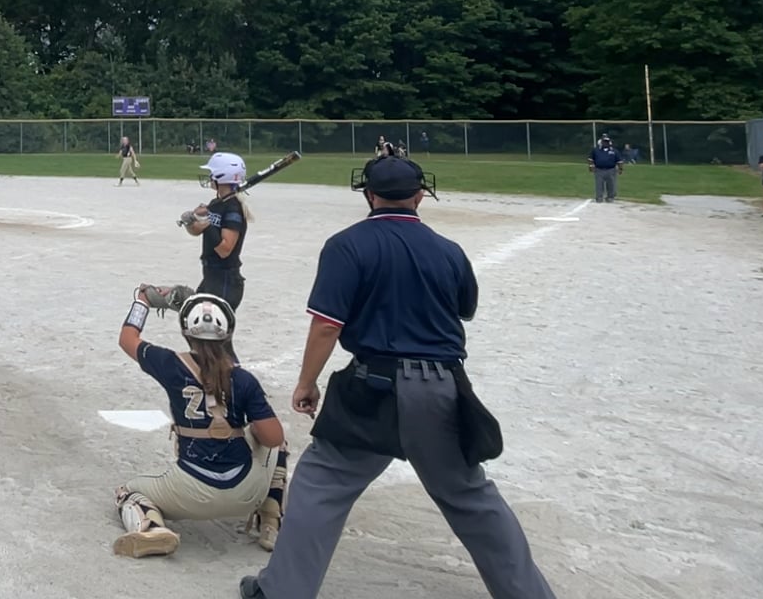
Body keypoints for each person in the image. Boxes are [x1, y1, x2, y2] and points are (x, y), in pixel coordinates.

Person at [239, 155, 555, 599]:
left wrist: (306, 383)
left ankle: (281, 592)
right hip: (443, 388)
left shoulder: (347, 244)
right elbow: (464, 308)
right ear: (419, 196)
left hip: (374, 388)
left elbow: (327, 325)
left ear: (369, 195)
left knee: (321, 483)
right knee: (471, 497)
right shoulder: (449, 250)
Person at [113, 290, 289, 558]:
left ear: (186, 332)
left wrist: (142, 302)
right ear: (228, 334)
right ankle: (271, 521)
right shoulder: (243, 379)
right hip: (245, 492)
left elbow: (127, 339)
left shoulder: (170, 364)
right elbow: (273, 438)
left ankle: (151, 527)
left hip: (188, 490)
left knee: (128, 492)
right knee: (278, 439)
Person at [143, 152, 251, 313]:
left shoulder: (233, 210)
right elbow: (197, 231)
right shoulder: (216, 203)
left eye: (212, 173)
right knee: (192, 317)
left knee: (206, 325)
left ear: (222, 176)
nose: (210, 177)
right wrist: (191, 221)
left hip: (225, 281)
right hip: (210, 277)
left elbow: (225, 250)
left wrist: (207, 226)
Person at [589, 135, 623, 202]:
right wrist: (591, 166)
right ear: (601, 142)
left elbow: (619, 161)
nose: (605, 143)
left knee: (611, 184)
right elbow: (591, 159)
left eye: (607, 142)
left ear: (609, 142)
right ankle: (599, 197)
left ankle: (610, 197)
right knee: (599, 184)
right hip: (599, 169)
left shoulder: (614, 151)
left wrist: (620, 168)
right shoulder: (596, 150)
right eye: (604, 142)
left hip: (611, 170)